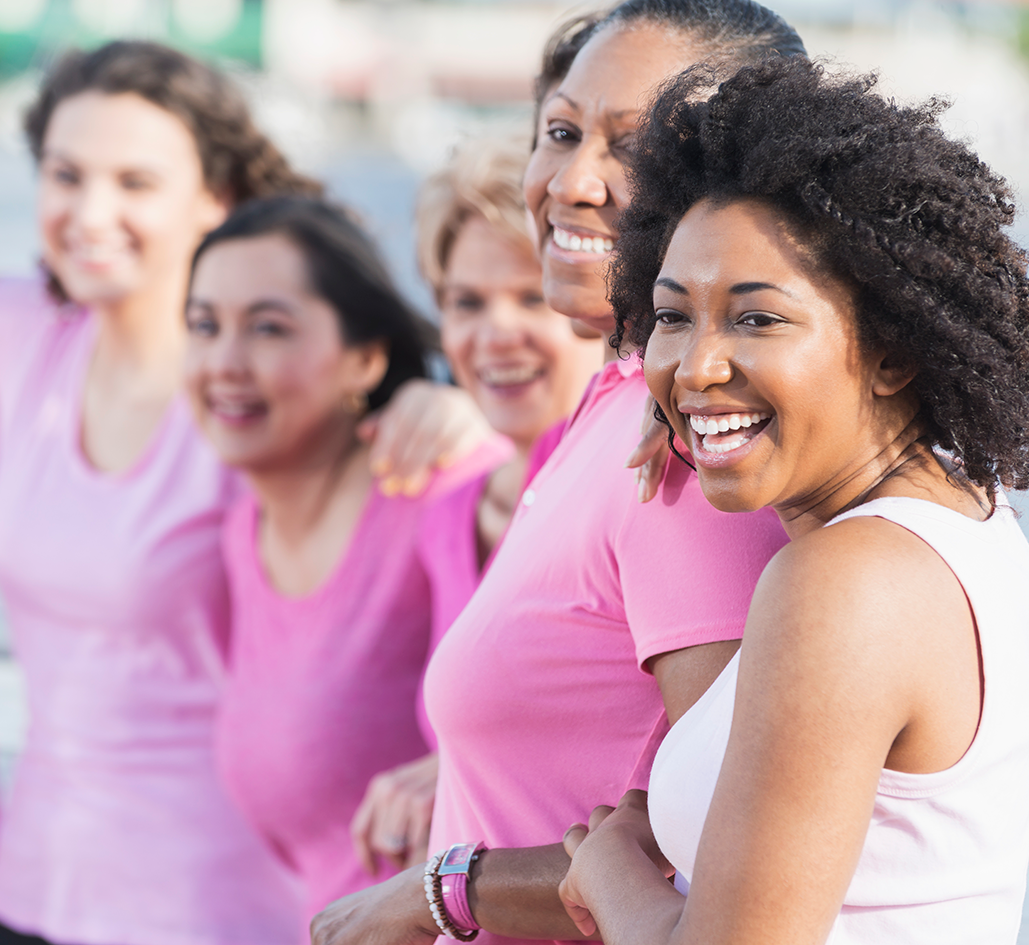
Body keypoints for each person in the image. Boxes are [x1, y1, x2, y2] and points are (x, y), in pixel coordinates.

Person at [0, 42, 490, 945]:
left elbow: (421, 516)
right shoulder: (24, 330)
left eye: (135, 181)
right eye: (66, 174)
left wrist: (444, 403)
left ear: (214, 200)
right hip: (27, 885)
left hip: (214, 900)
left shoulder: (260, 402)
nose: (90, 212)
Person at [311, 4, 801, 944]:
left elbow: (724, 850)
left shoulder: (692, 458)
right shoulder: (614, 402)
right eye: (561, 131)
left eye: (634, 148)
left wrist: (437, 892)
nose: (572, 182)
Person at [558, 55, 1029, 945]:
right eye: (673, 317)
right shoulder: (964, 525)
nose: (696, 364)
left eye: (756, 319)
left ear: (892, 351)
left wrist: (606, 871)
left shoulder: (845, 580)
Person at [185, 196, 503, 942]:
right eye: (203, 325)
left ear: (364, 357)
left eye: (268, 327)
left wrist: (452, 764)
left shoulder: (441, 492)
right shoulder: (243, 528)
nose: (225, 362)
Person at [347, 137, 606, 878]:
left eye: (531, 296)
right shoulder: (446, 507)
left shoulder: (633, 496)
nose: (495, 331)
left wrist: (451, 769)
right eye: (466, 301)